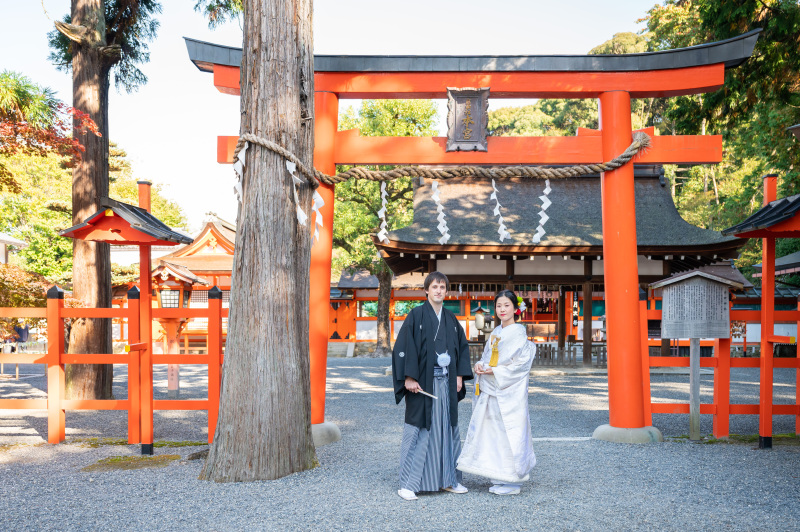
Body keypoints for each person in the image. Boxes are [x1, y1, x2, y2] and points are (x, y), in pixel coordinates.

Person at [391, 271, 473, 501]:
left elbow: (461, 348)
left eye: (442, 287)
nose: (438, 291)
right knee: (419, 431)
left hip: (446, 383)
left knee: (447, 430)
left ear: (446, 291)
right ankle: (408, 484)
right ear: (426, 290)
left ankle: (449, 479)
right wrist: (408, 377)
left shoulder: (451, 319)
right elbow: (403, 347)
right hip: (422, 383)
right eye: (434, 287)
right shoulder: (416, 316)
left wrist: (459, 376)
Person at [457, 289, 536, 495]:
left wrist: (497, 370)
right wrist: (480, 366)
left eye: (506, 305)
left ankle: (513, 480)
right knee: (494, 433)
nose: (502, 309)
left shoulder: (518, 333)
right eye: (499, 306)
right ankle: (500, 476)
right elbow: (487, 356)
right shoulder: (496, 332)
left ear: (515, 308)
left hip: (509, 391)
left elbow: (521, 365)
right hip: (492, 389)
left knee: (509, 432)